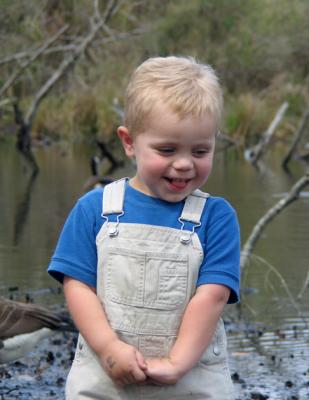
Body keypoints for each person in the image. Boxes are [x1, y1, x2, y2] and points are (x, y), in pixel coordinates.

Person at [48, 56, 240, 399]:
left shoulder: (216, 217)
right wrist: (109, 349)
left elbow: (212, 297)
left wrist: (176, 363)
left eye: (200, 150)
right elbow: (78, 287)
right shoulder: (95, 209)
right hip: (105, 381)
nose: (183, 164)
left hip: (190, 383)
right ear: (129, 141)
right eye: (166, 149)